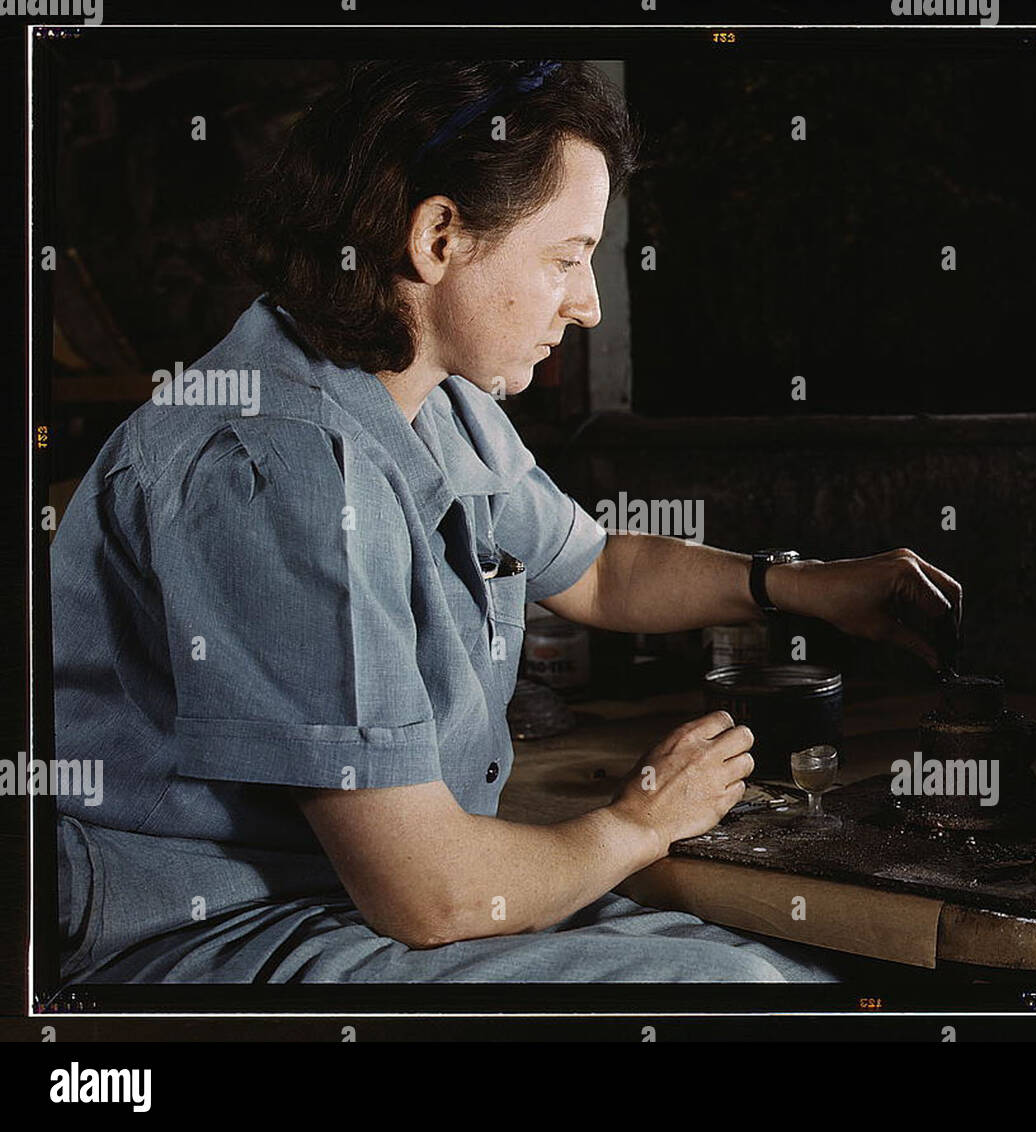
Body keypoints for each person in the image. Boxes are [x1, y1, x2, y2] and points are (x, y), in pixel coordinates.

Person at [51, 60, 961, 985]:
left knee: (814, 973)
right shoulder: (270, 468)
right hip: (215, 930)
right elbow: (433, 898)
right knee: (734, 994)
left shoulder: (434, 399)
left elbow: (598, 571)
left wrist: (806, 586)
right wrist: (637, 823)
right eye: (566, 258)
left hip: (361, 893)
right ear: (438, 236)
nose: (589, 301)